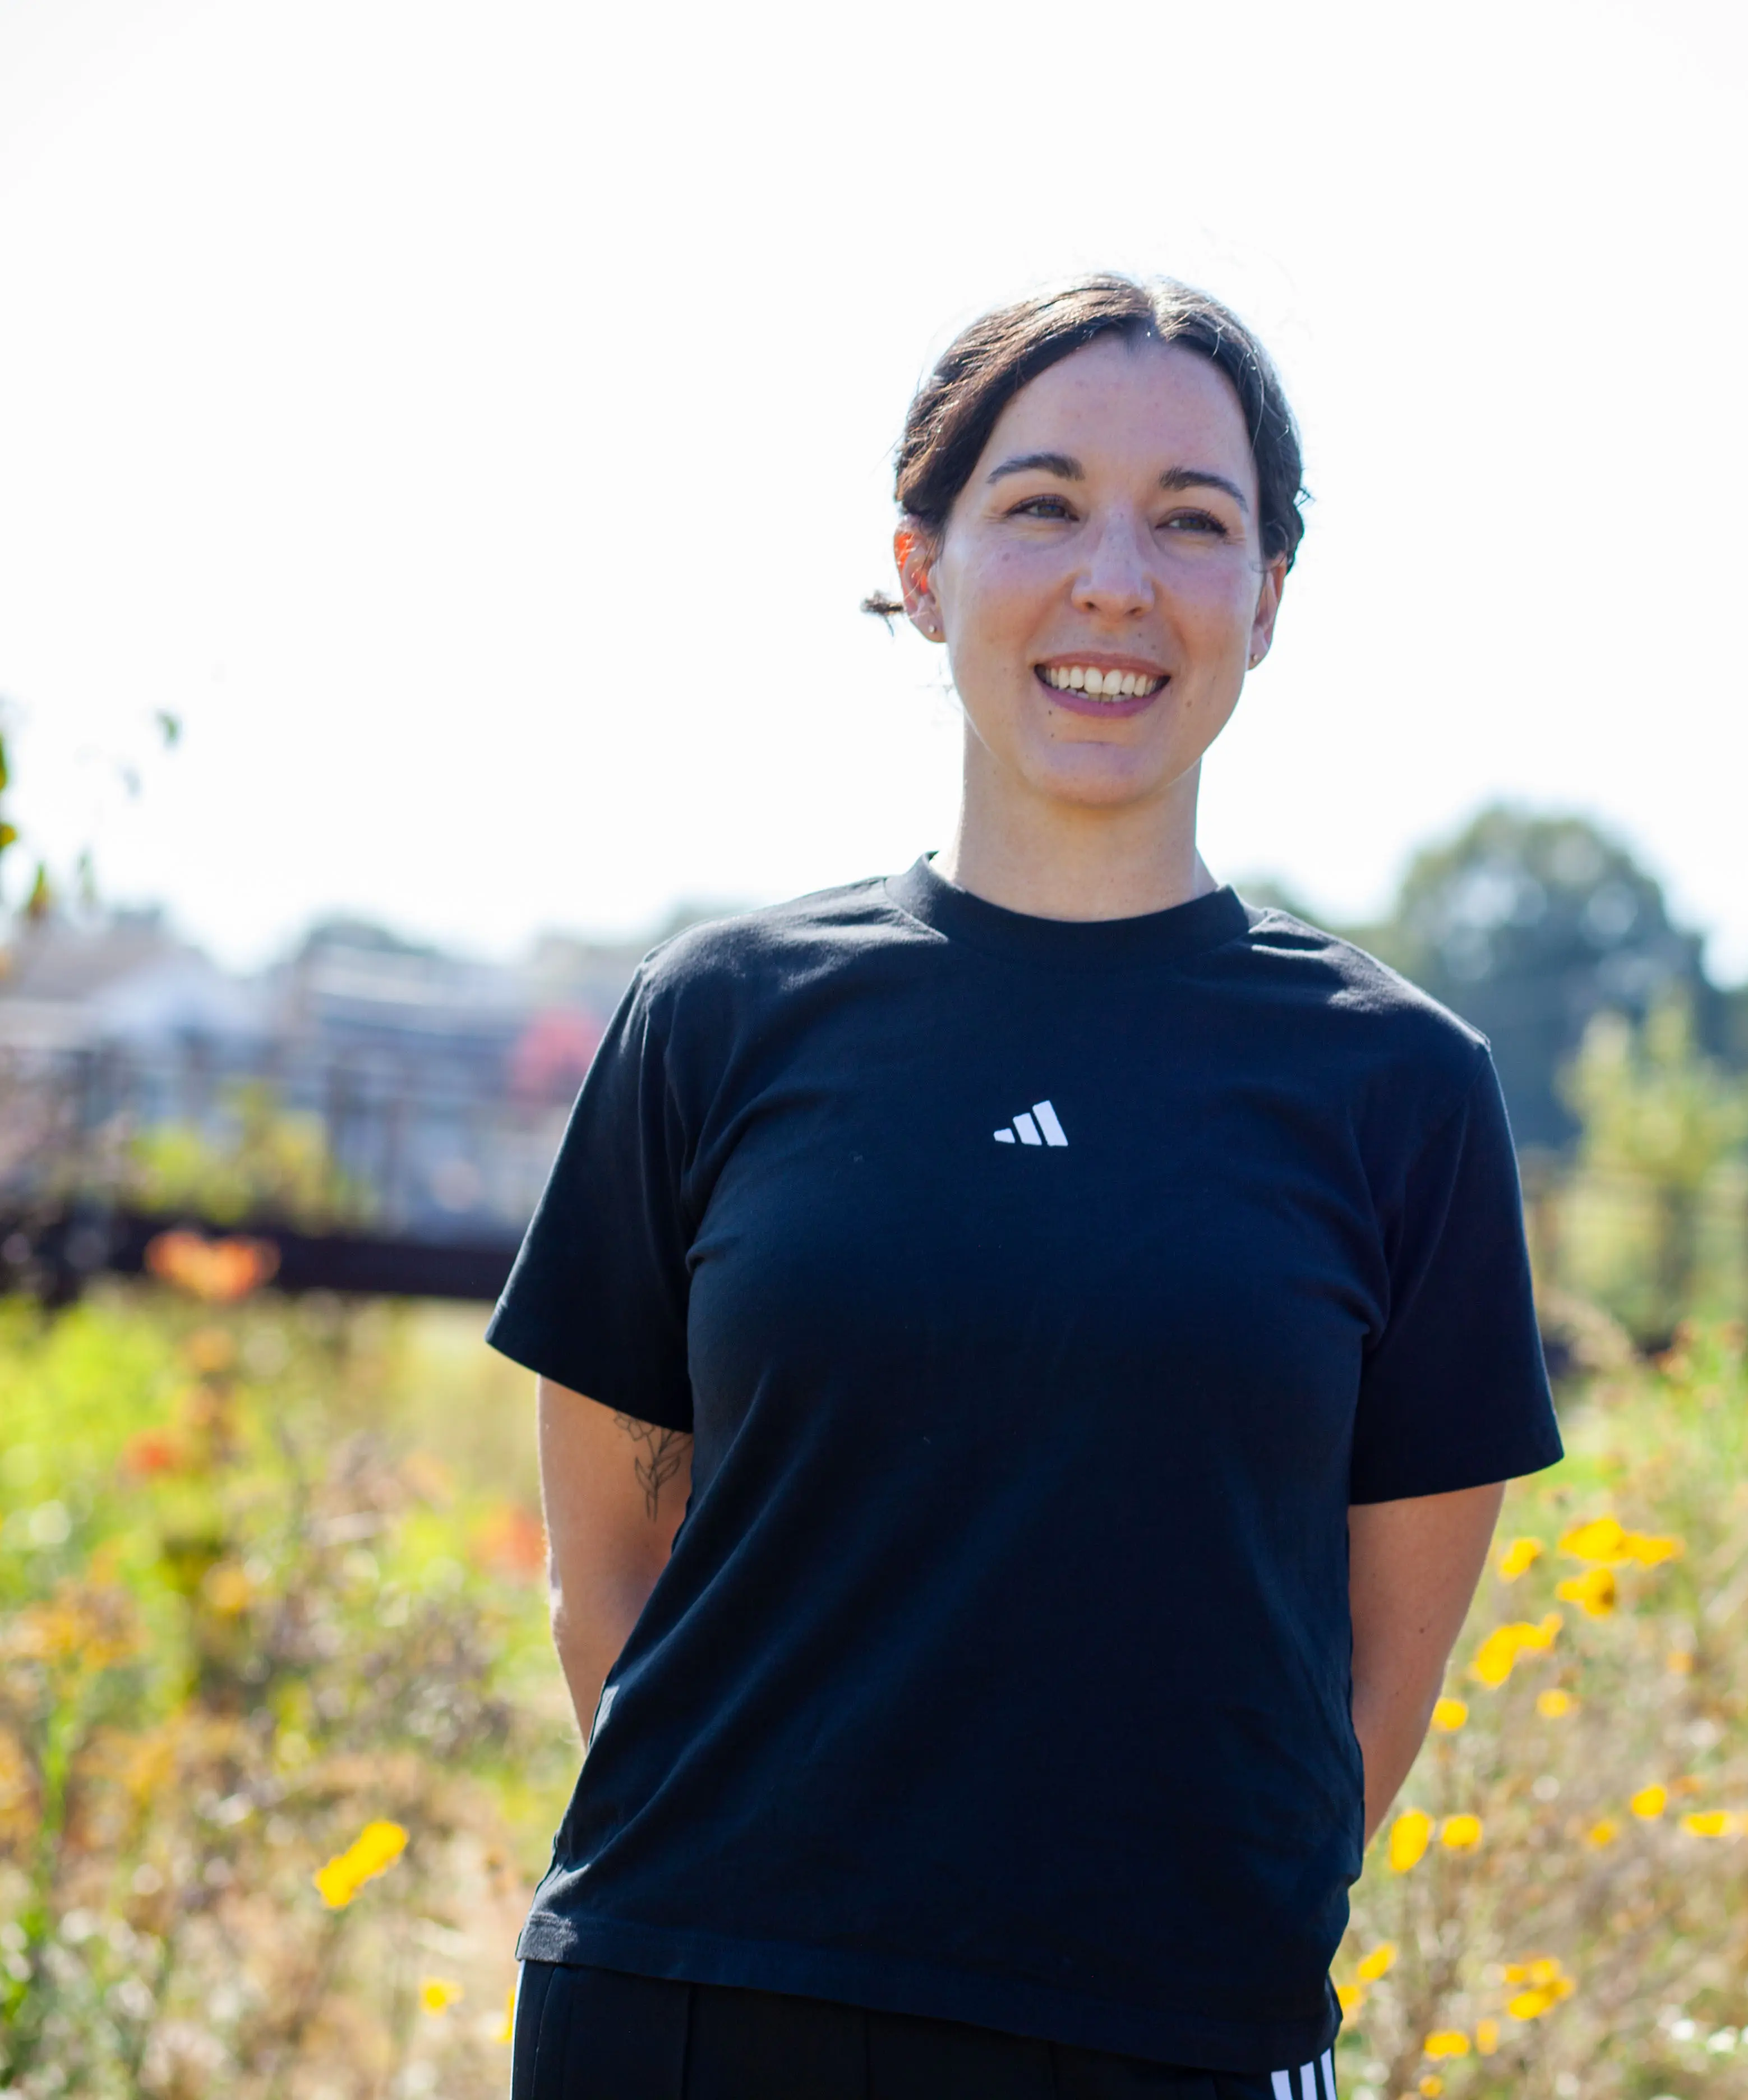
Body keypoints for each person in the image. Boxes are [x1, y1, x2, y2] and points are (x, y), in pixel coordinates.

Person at [491, 275, 1561, 2099]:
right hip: (694, 2008)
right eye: (1045, 504)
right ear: (923, 567)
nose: (1116, 583)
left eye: (1194, 524)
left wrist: (1176, 1942)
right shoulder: (718, 1019)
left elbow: (1376, 1685)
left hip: (1177, 2039)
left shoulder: (1403, 1092)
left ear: (1269, 603)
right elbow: (603, 1571)